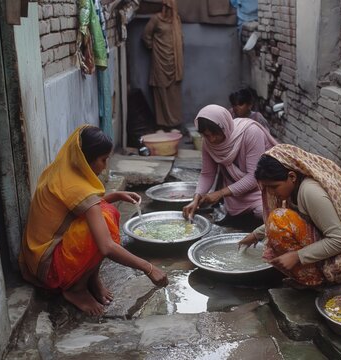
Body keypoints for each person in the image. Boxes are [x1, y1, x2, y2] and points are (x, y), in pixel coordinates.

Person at [19, 125, 168, 316]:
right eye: (103, 160)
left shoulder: (62, 169)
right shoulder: (79, 187)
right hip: (49, 268)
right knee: (104, 222)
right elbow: (106, 246)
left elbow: (78, 207)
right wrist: (149, 268)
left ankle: (90, 278)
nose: (105, 166)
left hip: (38, 256)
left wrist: (114, 195)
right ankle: (76, 290)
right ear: (85, 161)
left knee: (106, 211)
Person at [238, 144, 341, 287]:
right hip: (335, 245)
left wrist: (297, 256)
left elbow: (339, 241)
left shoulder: (310, 192)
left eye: (274, 186)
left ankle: (314, 281)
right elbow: (296, 218)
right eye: (267, 187)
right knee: (279, 219)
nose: (271, 193)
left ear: (291, 176)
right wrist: (255, 235)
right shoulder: (294, 188)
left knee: (278, 220)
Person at [182, 104, 278, 221]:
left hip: (262, 187)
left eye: (216, 134)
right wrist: (196, 199)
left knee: (264, 215)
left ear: (225, 127)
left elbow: (254, 177)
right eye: (207, 135)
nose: (212, 139)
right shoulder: (207, 143)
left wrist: (220, 193)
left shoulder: (250, 132)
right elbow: (207, 173)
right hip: (235, 192)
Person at [142, 0, 184, 131]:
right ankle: (161, 124)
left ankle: (174, 124)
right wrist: (153, 47)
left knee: (173, 95)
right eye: (166, 7)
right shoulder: (156, 19)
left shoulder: (176, 20)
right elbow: (146, 35)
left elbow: (180, 38)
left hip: (174, 63)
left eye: (170, 8)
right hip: (160, 61)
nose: (168, 11)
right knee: (161, 92)